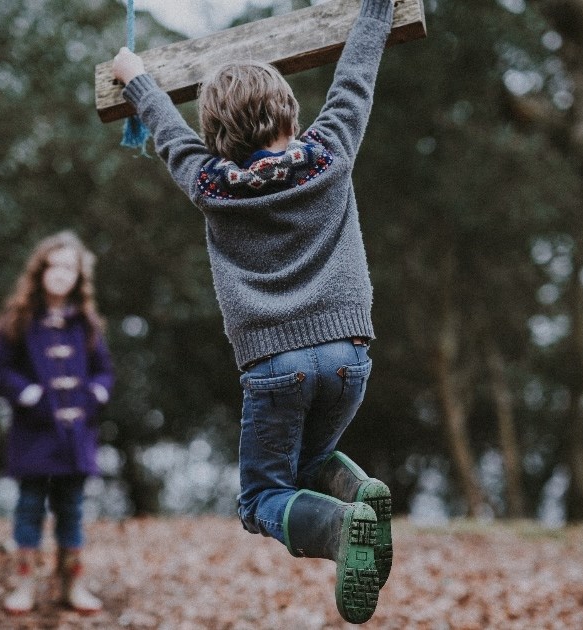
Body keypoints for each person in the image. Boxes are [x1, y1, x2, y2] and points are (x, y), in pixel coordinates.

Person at [111, 0, 394, 623]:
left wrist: (137, 79)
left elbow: (168, 134)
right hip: (349, 356)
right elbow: (355, 75)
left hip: (274, 367)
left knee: (262, 496)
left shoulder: (213, 186)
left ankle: (347, 527)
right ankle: (359, 496)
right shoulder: (332, 152)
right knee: (310, 464)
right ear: (289, 109)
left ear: (219, 134)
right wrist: (376, 7)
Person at [0, 231, 114, 615]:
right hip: (34, 434)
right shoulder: (19, 318)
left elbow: (104, 371)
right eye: (53, 266)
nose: (60, 275)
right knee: (29, 507)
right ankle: (24, 585)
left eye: (69, 268)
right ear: (39, 271)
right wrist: (30, 395)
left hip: (76, 437)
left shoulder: (86, 323)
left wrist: (94, 395)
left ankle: (71, 585)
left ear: (79, 276)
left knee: (72, 508)